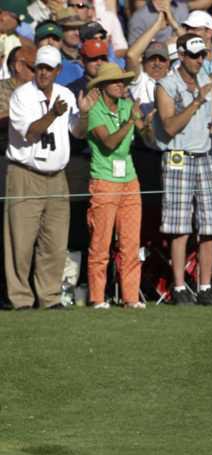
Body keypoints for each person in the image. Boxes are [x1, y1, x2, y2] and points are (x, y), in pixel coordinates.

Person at [4, 45, 98, 309]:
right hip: (25, 173)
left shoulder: (65, 94)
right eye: (39, 67)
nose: (43, 73)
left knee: (54, 241)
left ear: (58, 70)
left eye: (48, 68)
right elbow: (30, 133)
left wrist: (85, 113)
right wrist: (53, 113)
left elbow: (78, 132)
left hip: (57, 175)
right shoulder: (22, 95)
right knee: (20, 241)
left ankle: (50, 296)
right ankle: (20, 298)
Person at [153, 33, 212, 305]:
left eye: (202, 55)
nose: (200, 60)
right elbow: (169, 126)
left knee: (210, 225)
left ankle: (205, 286)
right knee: (179, 226)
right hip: (178, 157)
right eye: (195, 55)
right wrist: (197, 101)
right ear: (181, 55)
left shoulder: (208, 84)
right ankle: (178, 287)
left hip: (204, 156)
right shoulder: (166, 85)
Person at [86, 63, 146, 309]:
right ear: (102, 86)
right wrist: (130, 121)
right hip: (104, 181)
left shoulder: (127, 106)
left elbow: (146, 135)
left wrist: (148, 124)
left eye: (123, 81)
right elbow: (109, 143)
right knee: (101, 244)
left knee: (130, 244)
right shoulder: (94, 111)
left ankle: (131, 297)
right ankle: (97, 298)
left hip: (130, 181)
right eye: (115, 81)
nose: (121, 85)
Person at [0, 45, 35, 155]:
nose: (41, 74)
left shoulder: (42, 92)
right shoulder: (1, 89)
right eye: (33, 69)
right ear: (18, 66)